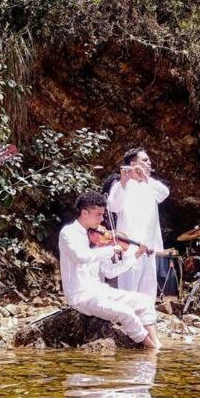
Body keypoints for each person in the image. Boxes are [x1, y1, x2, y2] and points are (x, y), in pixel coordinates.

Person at [59, 191, 161, 349]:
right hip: (80, 296)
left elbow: (109, 272)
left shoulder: (94, 238)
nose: (102, 220)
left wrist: (135, 255)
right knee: (126, 313)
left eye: (102, 215)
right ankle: (152, 350)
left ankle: (157, 344)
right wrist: (110, 249)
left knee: (145, 301)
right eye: (98, 215)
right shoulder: (68, 233)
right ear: (84, 213)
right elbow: (81, 257)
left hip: (100, 290)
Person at [105, 148, 169, 299]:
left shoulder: (150, 185)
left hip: (150, 247)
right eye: (145, 160)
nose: (149, 163)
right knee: (129, 292)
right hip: (130, 248)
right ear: (133, 163)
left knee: (149, 291)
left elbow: (165, 193)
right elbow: (113, 206)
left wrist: (146, 178)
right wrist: (124, 182)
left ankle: (146, 321)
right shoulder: (120, 185)